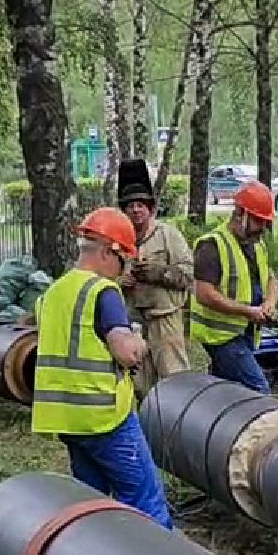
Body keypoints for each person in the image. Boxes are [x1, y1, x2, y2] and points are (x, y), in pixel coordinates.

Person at [31, 208, 174, 530]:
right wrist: (139, 341)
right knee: (144, 499)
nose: (124, 271)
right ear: (110, 252)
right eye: (124, 261)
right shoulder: (102, 291)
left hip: (66, 419)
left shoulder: (52, 293)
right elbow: (127, 354)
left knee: (91, 504)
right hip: (104, 418)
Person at [114, 158, 195, 397]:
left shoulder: (168, 235)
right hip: (132, 323)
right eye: (130, 206)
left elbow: (189, 275)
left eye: (141, 205)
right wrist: (119, 283)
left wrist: (159, 273)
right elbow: (101, 278)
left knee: (175, 381)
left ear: (150, 208)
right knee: (139, 386)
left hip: (165, 319)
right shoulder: (117, 241)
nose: (136, 210)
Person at [189, 180, 278, 393]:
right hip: (221, 337)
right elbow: (204, 294)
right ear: (240, 213)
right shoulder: (211, 245)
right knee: (258, 390)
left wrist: (269, 303)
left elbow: (271, 279)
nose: (262, 228)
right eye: (258, 220)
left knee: (227, 392)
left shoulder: (257, 245)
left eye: (265, 222)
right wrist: (248, 311)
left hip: (246, 332)